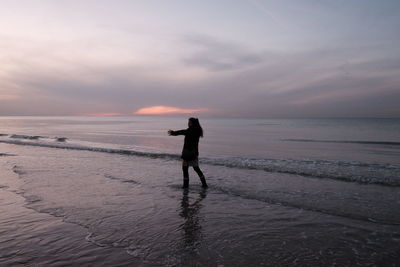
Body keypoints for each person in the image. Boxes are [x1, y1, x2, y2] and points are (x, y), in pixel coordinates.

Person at [168, 118, 208, 188]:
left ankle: (185, 186)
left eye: (189, 122)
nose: (188, 123)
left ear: (193, 123)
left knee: (185, 169)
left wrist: (173, 133)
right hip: (194, 153)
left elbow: (182, 132)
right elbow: (183, 131)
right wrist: (174, 133)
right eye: (188, 122)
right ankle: (204, 184)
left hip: (187, 153)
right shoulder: (198, 131)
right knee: (196, 169)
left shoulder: (190, 130)